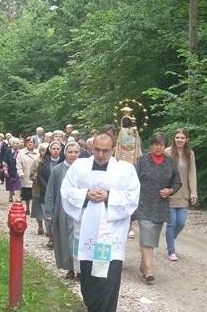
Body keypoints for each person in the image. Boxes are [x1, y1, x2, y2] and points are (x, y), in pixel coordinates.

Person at [61, 133, 140, 312]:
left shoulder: (125, 170)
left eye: (105, 150)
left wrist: (109, 196)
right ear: (91, 148)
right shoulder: (80, 167)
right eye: (97, 150)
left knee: (108, 282)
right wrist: (85, 194)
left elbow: (133, 197)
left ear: (113, 149)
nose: (101, 154)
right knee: (89, 282)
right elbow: (66, 190)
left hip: (111, 236)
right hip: (87, 233)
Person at [135, 132, 181, 283]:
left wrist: (170, 191)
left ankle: (143, 265)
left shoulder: (171, 162)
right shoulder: (142, 161)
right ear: (150, 146)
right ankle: (149, 270)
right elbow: (133, 181)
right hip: (144, 203)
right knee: (146, 233)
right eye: (155, 144)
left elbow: (177, 182)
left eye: (161, 144)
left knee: (152, 237)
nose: (158, 147)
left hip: (161, 205)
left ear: (164, 146)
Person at [45, 142, 81, 279]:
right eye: (70, 152)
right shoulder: (58, 170)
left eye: (75, 152)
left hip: (80, 211)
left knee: (80, 240)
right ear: (65, 153)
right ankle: (70, 267)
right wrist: (49, 212)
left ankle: (81, 268)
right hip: (63, 211)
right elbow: (50, 192)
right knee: (66, 240)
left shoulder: (84, 169)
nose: (72, 155)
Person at [164, 128, 198, 261]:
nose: (179, 140)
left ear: (186, 140)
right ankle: (171, 250)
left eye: (182, 138)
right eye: (177, 137)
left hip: (183, 192)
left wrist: (193, 191)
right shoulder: (167, 152)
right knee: (171, 223)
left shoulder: (190, 153)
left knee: (181, 222)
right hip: (170, 192)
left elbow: (192, 173)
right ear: (174, 138)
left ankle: (170, 239)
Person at [37, 141, 63, 248]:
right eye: (54, 149)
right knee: (48, 215)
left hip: (61, 193)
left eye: (58, 149)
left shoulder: (64, 163)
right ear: (50, 150)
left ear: (61, 151)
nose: (56, 151)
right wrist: (48, 189)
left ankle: (59, 237)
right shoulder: (43, 163)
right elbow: (40, 178)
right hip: (46, 193)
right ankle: (51, 236)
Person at [30, 142, 49, 235]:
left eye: (46, 150)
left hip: (47, 188)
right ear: (40, 151)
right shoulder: (36, 161)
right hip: (37, 188)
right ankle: (40, 226)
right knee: (38, 208)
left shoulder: (50, 161)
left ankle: (48, 228)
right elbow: (31, 174)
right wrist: (36, 176)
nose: (45, 152)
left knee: (46, 209)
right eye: (43, 150)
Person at [16, 136, 39, 215]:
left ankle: (34, 209)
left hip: (35, 176)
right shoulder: (21, 152)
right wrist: (20, 173)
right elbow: (18, 164)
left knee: (35, 193)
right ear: (26, 143)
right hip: (25, 175)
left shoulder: (38, 152)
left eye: (31, 142)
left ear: (34, 144)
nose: (30, 144)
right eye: (28, 142)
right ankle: (27, 208)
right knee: (26, 194)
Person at [3, 137, 21, 202]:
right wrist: (5, 170)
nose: (15, 145)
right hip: (10, 169)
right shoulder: (8, 151)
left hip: (18, 169)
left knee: (18, 184)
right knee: (10, 183)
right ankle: (10, 195)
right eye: (14, 143)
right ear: (11, 144)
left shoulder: (20, 152)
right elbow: (5, 161)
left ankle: (18, 196)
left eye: (17, 143)